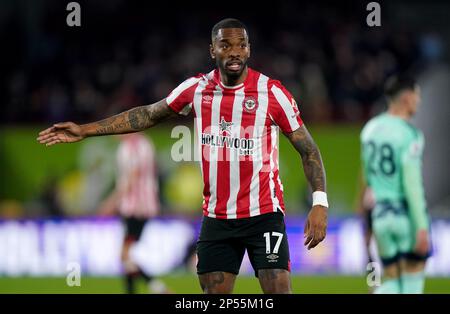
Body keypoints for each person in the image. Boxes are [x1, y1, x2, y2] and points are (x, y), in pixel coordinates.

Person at [37, 18, 328, 294]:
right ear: (212, 50)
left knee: (278, 290)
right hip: (217, 219)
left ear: (249, 49)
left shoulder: (271, 93)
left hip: (263, 215)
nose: (235, 51)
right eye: (225, 45)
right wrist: (85, 130)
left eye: (241, 44)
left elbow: (308, 149)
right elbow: (148, 114)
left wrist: (319, 203)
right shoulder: (196, 90)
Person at [360, 75, 430, 294]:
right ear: (407, 97)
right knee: (412, 284)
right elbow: (412, 184)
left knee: (391, 281)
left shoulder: (369, 129)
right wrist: (421, 226)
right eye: (417, 95)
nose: (419, 101)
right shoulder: (409, 134)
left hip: (380, 218)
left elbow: (367, 178)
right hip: (404, 217)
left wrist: (366, 217)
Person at [98, 133, 169, 294]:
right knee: (126, 255)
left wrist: (111, 202)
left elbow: (133, 176)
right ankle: (140, 290)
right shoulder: (140, 144)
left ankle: (158, 288)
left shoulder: (135, 146)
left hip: (137, 208)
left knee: (125, 255)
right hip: (133, 207)